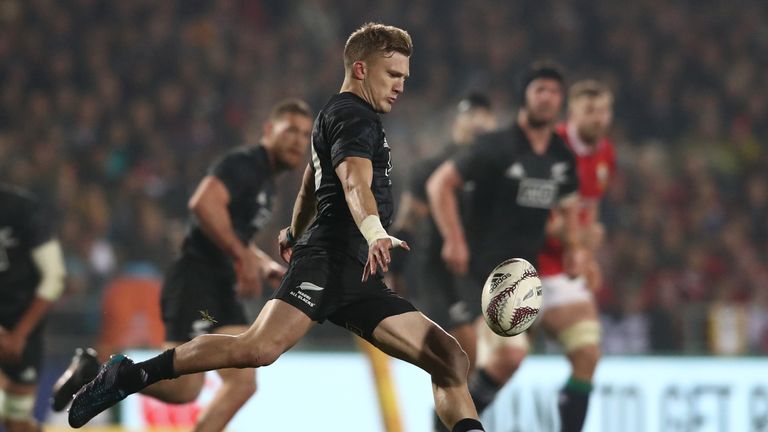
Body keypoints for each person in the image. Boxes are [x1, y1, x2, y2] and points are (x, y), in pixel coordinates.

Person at [68, 23, 486, 432]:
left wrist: (292, 227)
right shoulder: (353, 117)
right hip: (326, 262)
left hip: (359, 277)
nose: (400, 86)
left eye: (404, 78)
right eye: (393, 74)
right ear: (361, 69)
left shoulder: (337, 116)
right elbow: (354, 181)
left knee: (450, 359)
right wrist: (374, 229)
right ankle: (128, 375)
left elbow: (312, 177)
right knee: (256, 349)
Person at [55, 98, 313, 432]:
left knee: (243, 382)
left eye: (305, 134)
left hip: (219, 289)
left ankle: (97, 371)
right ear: (268, 130)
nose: (298, 140)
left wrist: (261, 264)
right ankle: (106, 372)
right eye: (291, 130)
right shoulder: (245, 164)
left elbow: (232, 232)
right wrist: (242, 257)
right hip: (197, 283)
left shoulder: (265, 181)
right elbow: (203, 204)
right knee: (185, 388)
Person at [427, 61, 580, 426]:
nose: (547, 98)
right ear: (524, 96)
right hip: (477, 267)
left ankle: (451, 421)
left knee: (502, 361)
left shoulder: (562, 157)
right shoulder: (495, 147)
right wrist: (454, 240)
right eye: (539, 89)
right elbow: (439, 184)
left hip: (520, 277)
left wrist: (576, 250)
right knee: (492, 356)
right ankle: (452, 421)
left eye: (554, 91)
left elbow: (570, 208)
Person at [530, 79, 616, 432]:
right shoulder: (551, 147)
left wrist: (586, 256)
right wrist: (580, 240)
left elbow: (590, 208)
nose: (598, 119)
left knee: (587, 355)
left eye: (604, 111)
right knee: (501, 363)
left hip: (563, 270)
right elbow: (535, 217)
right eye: (590, 111)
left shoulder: (605, 153)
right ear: (572, 113)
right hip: (530, 266)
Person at [0, 183, 66, 432]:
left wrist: (18, 335)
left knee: (16, 422)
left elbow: (54, 277)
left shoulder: (22, 209)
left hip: (23, 323)